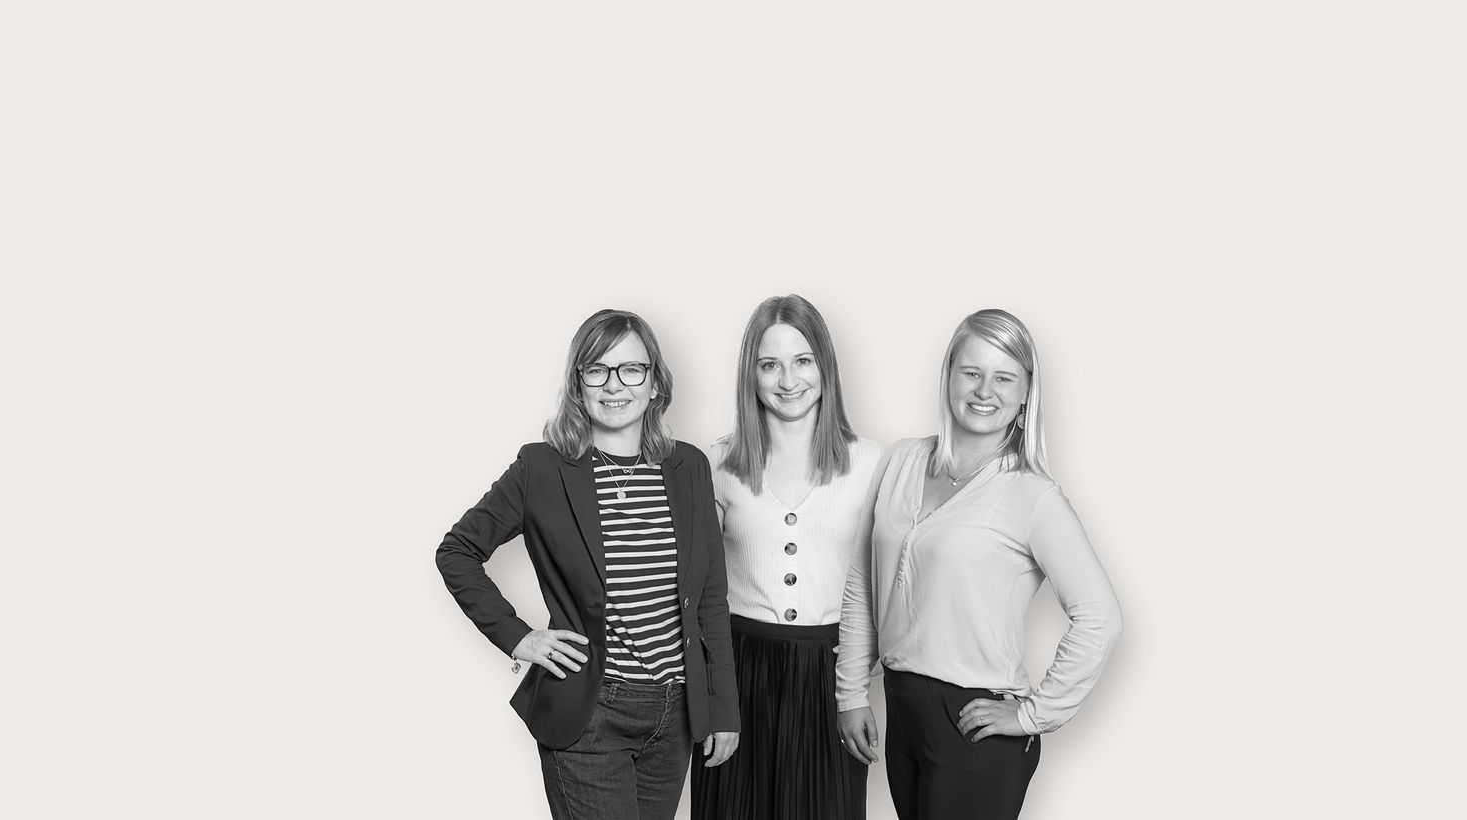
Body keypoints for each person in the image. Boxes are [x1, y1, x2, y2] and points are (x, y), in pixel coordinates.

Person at [436, 309, 741, 820]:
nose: (614, 385)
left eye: (632, 369)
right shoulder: (541, 468)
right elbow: (457, 551)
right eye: (597, 369)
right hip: (590, 712)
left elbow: (711, 596)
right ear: (578, 382)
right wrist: (518, 637)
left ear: (655, 384)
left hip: (675, 714)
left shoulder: (688, 466)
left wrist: (724, 707)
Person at [836, 308, 1123, 820]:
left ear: (1025, 392)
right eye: (971, 372)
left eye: (1004, 378)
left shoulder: (1032, 495)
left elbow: (1100, 616)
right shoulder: (901, 460)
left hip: (974, 728)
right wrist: (851, 692)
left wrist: (1035, 714)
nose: (984, 390)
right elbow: (863, 582)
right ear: (948, 375)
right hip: (903, 712)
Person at [691, 295, 884, 820]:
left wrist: (861, 677)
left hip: (831, 672)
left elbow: (885, 582)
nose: (788, 380)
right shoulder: (717, 463)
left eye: (802, 361)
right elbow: (695, 587)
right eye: (769, 364)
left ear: (825, 366)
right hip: (736, 672)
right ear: (750, 375)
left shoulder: (871, 463)